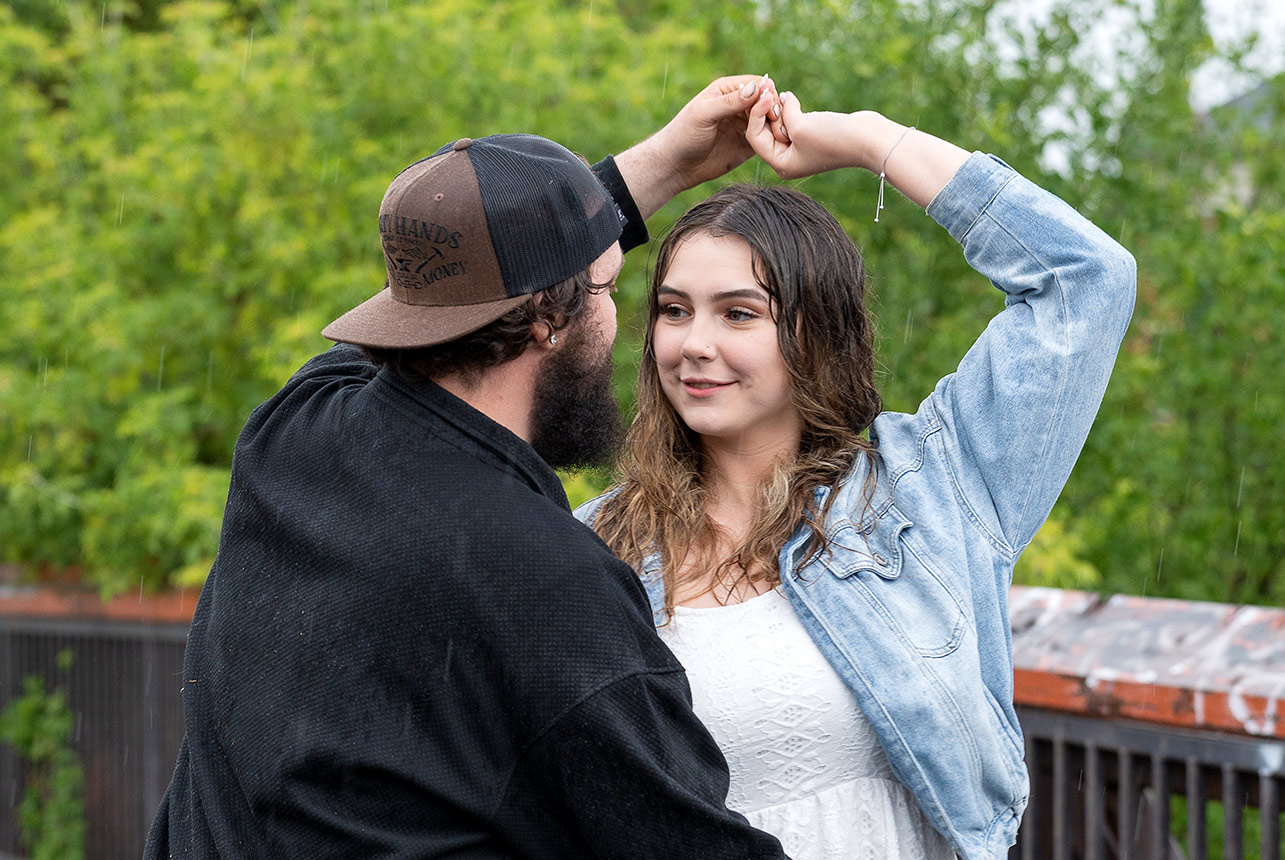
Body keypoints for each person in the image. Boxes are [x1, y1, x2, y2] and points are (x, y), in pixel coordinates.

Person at [144, 76, 800, 859]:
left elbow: (434, 297)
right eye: (608, 290)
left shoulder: (296, 430)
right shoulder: (549, 582)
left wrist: (661, 162)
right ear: (548, 322)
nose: (619, 314)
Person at [576, 90, 1137, 860]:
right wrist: (655, 170)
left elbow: (1084, 281)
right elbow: (424, 345)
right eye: (674, 310)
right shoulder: (596, 542)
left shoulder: (934, 487)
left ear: (816, 331)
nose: (692, 345)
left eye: (738, 314)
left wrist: (870, 141)